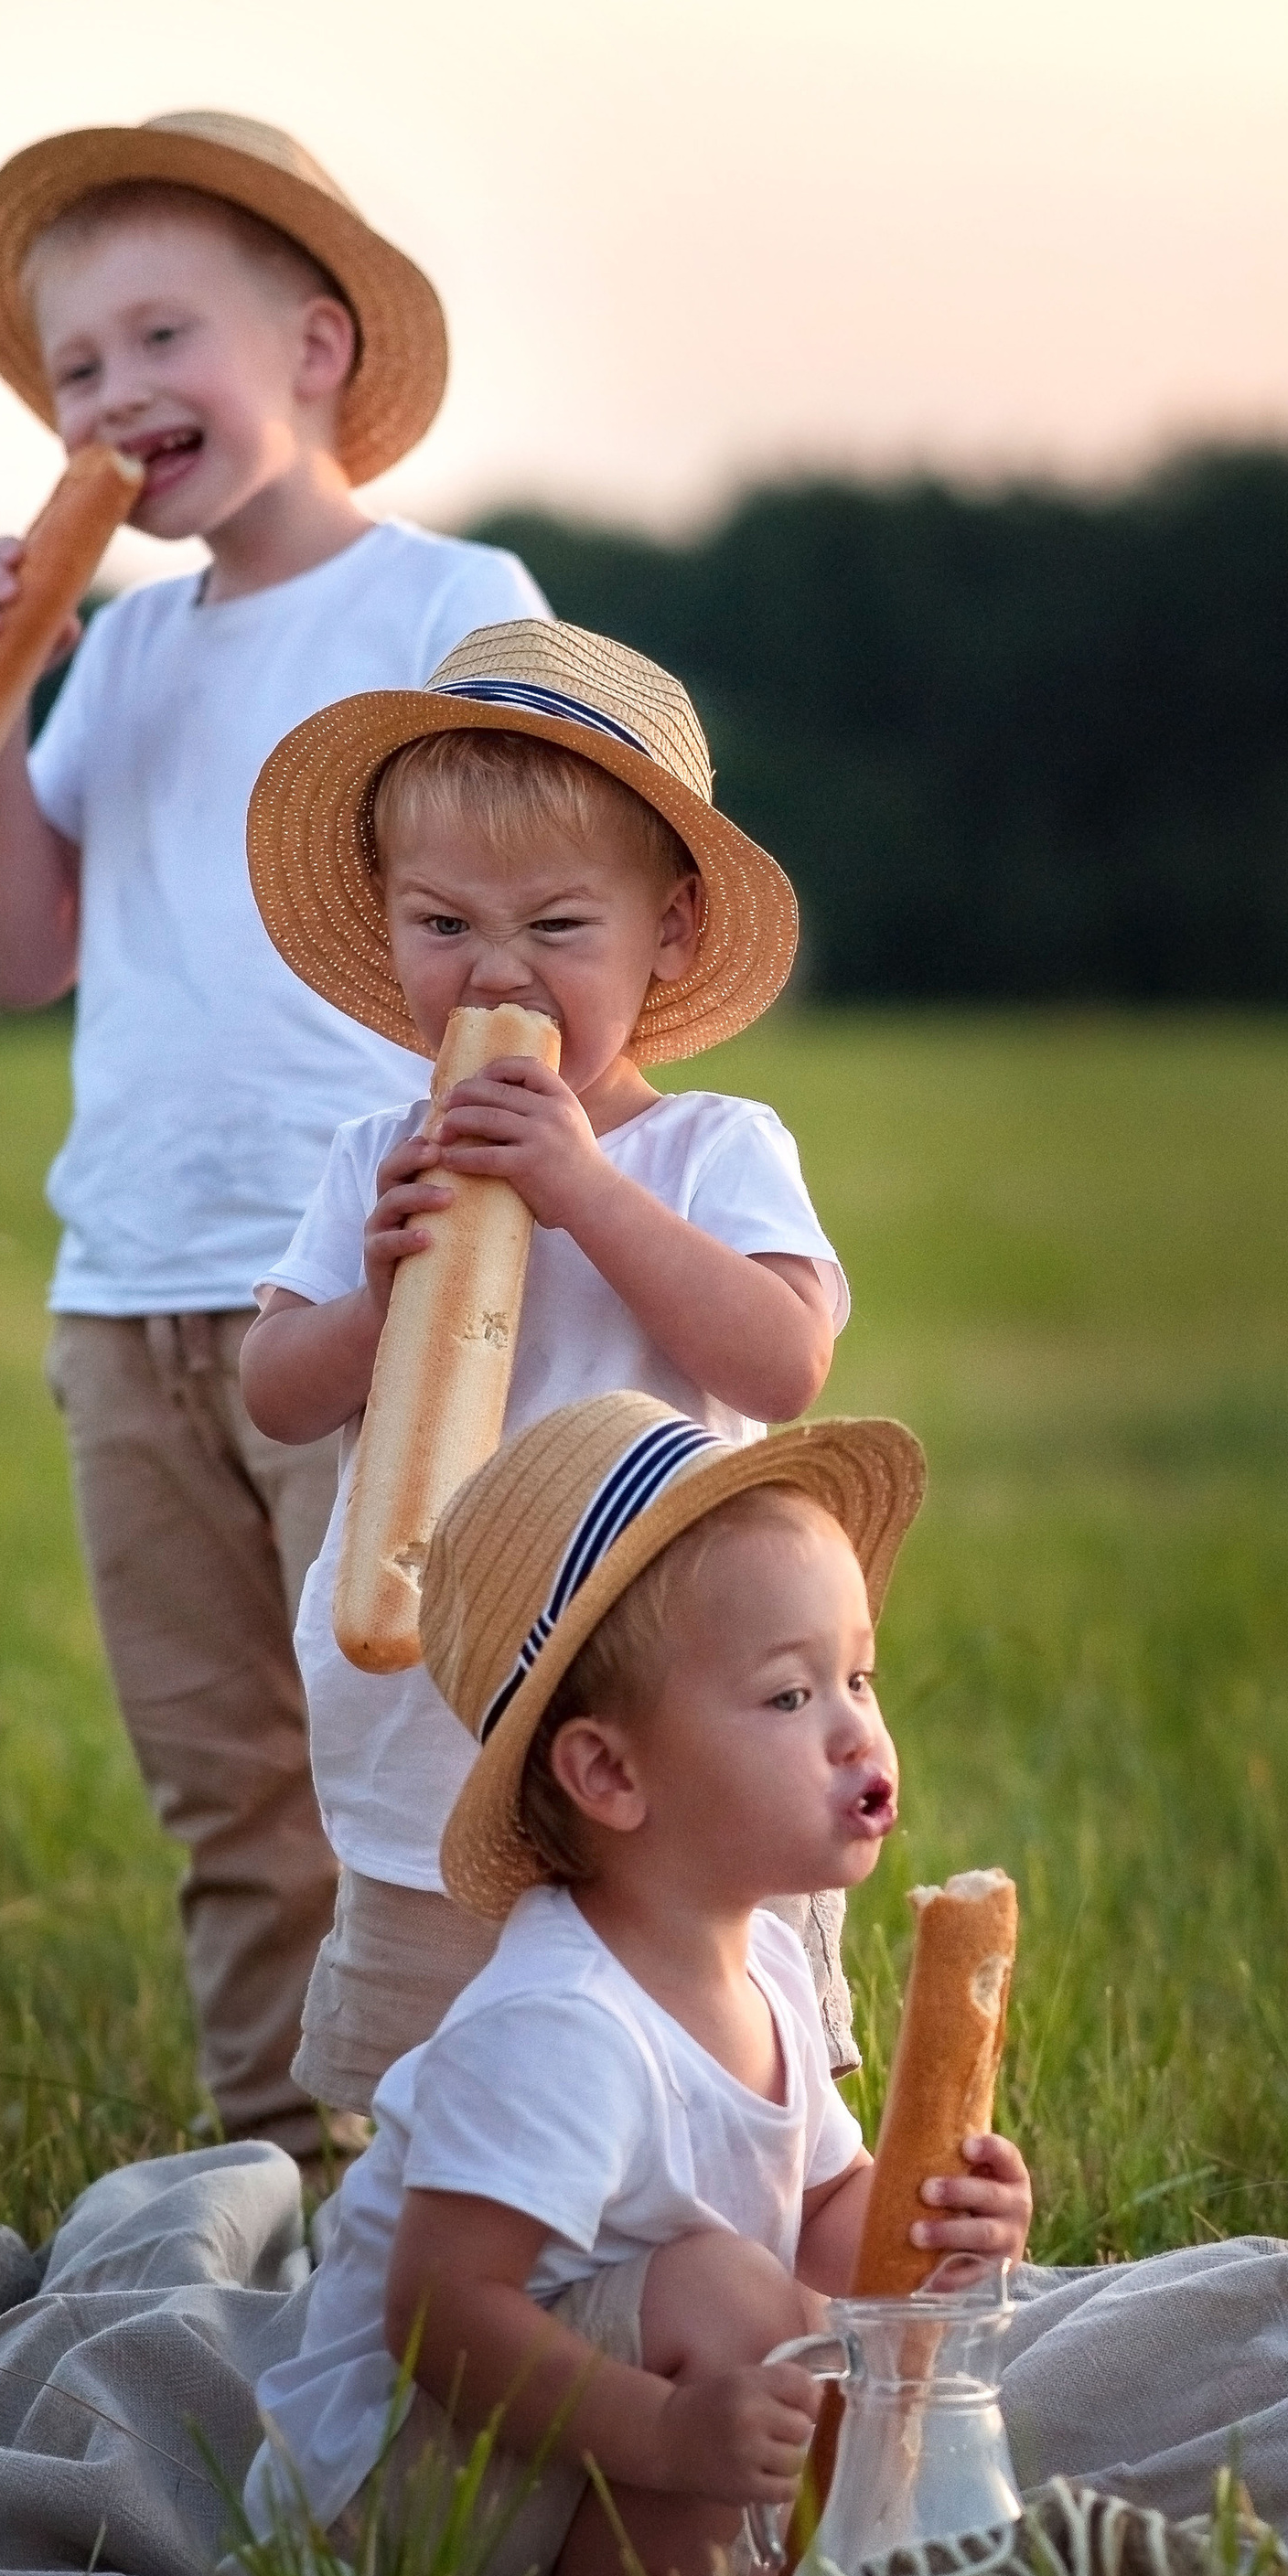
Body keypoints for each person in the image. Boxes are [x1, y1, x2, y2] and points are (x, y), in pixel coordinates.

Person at [0, 112, 546, 2168]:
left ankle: (469, 2180)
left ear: (313, 346)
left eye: (152, 335)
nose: (105, 397)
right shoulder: (116, 653)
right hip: (126, 1296)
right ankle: (282, 2192)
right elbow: (18, 953)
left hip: (368, 1280)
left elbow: (543, 929)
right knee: (221, 1797)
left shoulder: (449, 603)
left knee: (399, 1767)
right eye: (69, 369)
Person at [245, 1392, 1036, 2576]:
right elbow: (439, 2315)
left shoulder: (765, 1964)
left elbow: (828, 2219)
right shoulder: (559, 2027)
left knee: (805, 2325)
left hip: (575, 2450)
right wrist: (663, 2433)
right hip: (399, 2494)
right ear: (611, 1774)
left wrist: (940, 2223)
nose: (854, 1730)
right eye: (787, 1698)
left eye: (859, 1675)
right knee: (731, 2301)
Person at [242, 615, 872, 2113]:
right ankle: (452, 2289)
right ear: (388, 924)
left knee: (714, 2094)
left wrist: (588, 1190)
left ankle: (724, 2282)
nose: (491, 974)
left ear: (671, 936)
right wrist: (375, 1295)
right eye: (442, 925)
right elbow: (274, 1388)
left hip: (680, 1724)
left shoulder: (712, 1151)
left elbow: (782, 1364)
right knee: (433, 2106)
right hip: (430, 1732)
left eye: (556, 929)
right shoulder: (371, 1159)